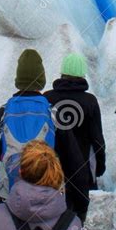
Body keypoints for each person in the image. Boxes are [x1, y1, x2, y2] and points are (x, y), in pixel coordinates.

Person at [0, 48, 90, 221]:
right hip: (47, 202)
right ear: (41, 81)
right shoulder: (54, 117)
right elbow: (76, 166)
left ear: (17, 81)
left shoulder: (0, 116)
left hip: (8, 202)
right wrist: (80, 210)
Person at [44, 52, 106, 198]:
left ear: (62, 73)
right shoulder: (90, 101)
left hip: (53, 172)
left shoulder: (47, 98)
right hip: (83, 171)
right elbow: (97, 139)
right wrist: (99, 167)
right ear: (82, 74)